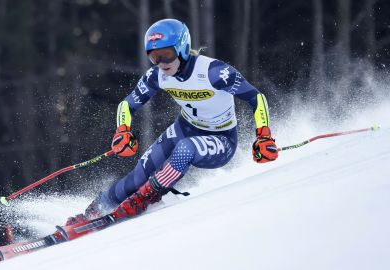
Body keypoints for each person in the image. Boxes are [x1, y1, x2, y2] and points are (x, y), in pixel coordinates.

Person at [67, 18, 278, 225]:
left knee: (186, 149)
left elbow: (255, 97)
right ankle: (93, 212)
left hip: (221, 138)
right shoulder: (157, 76)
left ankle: (145, 198)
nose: (161, 63)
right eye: (154, 57)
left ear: (183, 48)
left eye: (166, 55)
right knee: (137, 176)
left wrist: (263, 135)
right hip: (185, 128)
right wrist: (123, 130)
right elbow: (127, 105)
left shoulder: (214, 72)